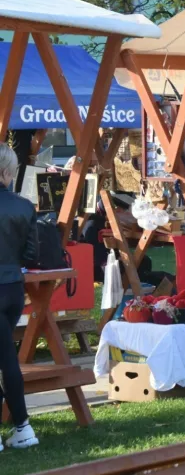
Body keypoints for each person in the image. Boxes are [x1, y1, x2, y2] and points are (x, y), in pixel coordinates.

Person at [0, 144, 39, 450]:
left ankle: (23, 426)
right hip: (14, 287)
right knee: (6, 356)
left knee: (6, 359)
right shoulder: (25, 206)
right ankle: (22, 427)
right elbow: (31, 253)